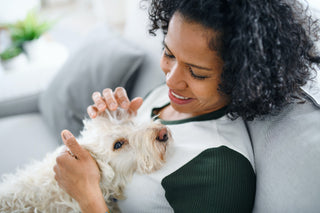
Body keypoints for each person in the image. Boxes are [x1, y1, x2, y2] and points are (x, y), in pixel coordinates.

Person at [53, 0, 320, 212]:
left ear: (243, 78)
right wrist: (109, 131)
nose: (171, 79)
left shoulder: (219, 170)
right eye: (169, 54)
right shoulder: (167, 96)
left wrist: (88, 195)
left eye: (197, 73)